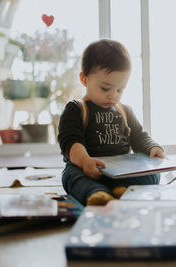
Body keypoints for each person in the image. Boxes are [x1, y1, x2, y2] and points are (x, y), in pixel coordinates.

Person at [58, 39, 164, 206]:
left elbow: (138, 136)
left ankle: (123, 189)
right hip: (88, 168)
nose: (113, 95)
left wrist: (152, 147)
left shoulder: (124, 110)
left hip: (123, 170)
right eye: (105, 88)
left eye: (120, 89)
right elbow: (71, 141)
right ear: (84, 79)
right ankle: (97, 194)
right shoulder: (77, 109)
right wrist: (85, 160)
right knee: (71, 176)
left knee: (154, 173)